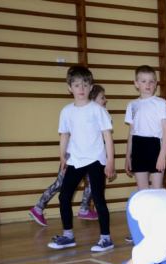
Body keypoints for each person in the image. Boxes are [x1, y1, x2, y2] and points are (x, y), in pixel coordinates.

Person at [47, 66, 115, 251]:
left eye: (85, 84)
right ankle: (68, 235)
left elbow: (107, 136)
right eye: (77, 85)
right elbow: (64, 135)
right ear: (70, 88)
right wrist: (62, 156)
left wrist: (110, 161)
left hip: (95, 160)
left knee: (98, 198)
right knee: (64, 197)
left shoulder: (97, 110)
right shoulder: (66, 111)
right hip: (75, 160)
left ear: (91, 87)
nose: (81, 88)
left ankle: (106, 238)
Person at [28, 84, 108, 226]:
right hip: (72, 156)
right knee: (61, 184)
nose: (105, 100)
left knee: (91, 183)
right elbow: (67, 135)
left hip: (90, 156)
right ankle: (38, 207)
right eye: (102, 97)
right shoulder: (80, 111)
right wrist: (63, 156)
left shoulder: (99, 113)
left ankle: (84, 208)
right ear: (93, 99)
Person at [124, 65, 166, 190]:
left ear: (156, 84)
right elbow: (131, 132)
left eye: (151, 81)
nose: (148, 85)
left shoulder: (161, 103)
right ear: (136, 84)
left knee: (157, 189)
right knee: (142, 190)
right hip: (138, 146)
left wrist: (162, 155)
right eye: (143, 81)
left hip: (154, 146)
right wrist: (128, 156)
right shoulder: (132, 105)